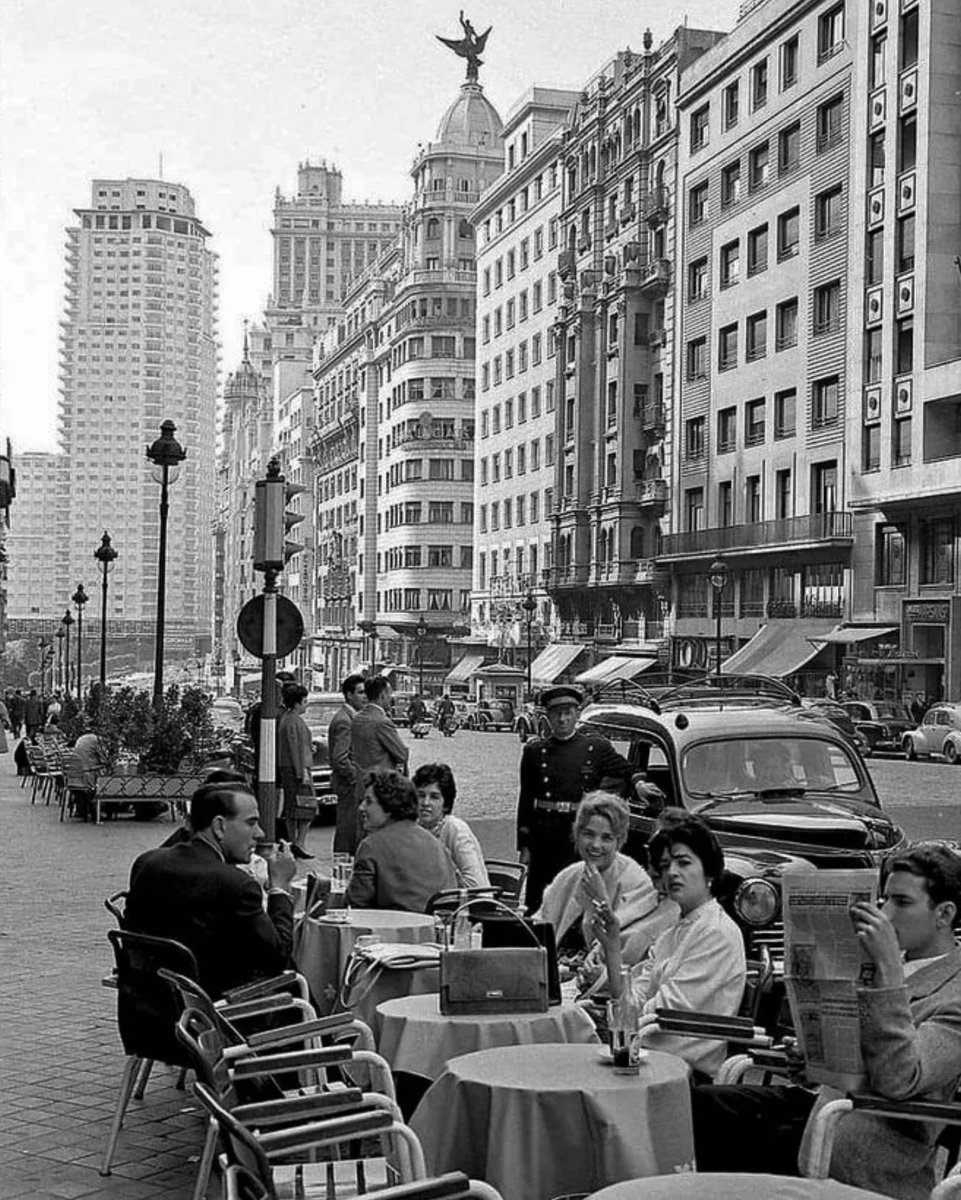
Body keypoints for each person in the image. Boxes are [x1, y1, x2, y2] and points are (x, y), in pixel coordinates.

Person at [692, 843, 961, 1199]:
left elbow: (901, 1079)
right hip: (827, 1105)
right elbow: (849, 1048)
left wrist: (891, 976)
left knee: (738, 1144)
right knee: (703, 1105)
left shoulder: (953, 994)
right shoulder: (877, 959)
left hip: (873, 1133)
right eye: (884, 900)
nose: (886, 914)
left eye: (902, 902)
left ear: (944, 914)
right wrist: (813, 1059)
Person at [595, 811, 746, 1078]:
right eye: (665, 867)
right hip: (647, 1056)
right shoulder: (673, 932)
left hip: (682, 1071)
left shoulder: (717, 933)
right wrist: (613, 949)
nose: (672, 873)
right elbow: (631, 1003)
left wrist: (618, 1024)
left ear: (708, 870)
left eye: (683, 863)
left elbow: (665, 1012)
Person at [125, 780, 296, 999]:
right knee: (296, 978)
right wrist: (279, 887)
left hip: (146, 1010)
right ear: (219, 826)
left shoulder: (147, 863)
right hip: (217, 1016)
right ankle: (332, 1032)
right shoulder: (236, 884)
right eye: (251, 823)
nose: (260, 833)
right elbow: (277, 959)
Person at [535, 792, 679, 991]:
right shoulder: (570, 875)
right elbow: (539, 926)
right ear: (577, 835)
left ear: (619, 841)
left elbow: (616, 950)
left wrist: (598, 900)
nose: (595, 845)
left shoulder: (637, 882)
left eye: (606, 838)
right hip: (550, 977)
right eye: (588, 834)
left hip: (590, 986)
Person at [516, 684, 634, 914]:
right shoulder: (534, 751)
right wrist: (524, 844)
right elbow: (526, 798)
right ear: (547, 717)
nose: (562, 719)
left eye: (567, 713)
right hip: (544, 834)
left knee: (576, 896)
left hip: (578, 833)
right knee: (540, 898)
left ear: (577, 714)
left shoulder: (594, 747)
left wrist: (637, 785)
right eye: (556, 714)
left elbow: (625, 769)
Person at [347, 769, 457, 912]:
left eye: (369, 801)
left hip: (395, 930)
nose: (361, 807)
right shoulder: (436, 844)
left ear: (388, 807)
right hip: (437, 927)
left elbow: (355, 906)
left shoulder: (371, 846)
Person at [414, 762, 489, 889]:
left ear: (446, 803)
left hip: (463, 905)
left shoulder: (455, 830)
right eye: (421, 795)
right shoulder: (414, 827)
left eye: (434, 797)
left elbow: (476, 886)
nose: (425, 803)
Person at [328, 673, 367, 855]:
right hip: (349, 786)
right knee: (348, 829)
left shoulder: (351, 717)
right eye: (360, 692)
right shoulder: (345, 720)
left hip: (349, 784)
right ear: (349, 695)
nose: (365, 696)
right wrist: (355, 778)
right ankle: (343, 864)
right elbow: (340, 758)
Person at [277, 683, 314, 859]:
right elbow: (294, 749)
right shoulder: (292, 721)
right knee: (305, 807)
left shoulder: (289, 719)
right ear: (297, 703)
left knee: (294, 808)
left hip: (294, 768)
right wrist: (302, 773)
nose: (307, 704)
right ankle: (298, 842)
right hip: (297, 770)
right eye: (305, 701)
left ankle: (295, 842)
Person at [351, 675, 409, 784]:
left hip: (362, 782)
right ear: (382, 695)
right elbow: (402, 754)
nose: (390, 697)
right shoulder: (382, 722)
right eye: (389, 693)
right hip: (381, 784)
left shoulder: (357, 719)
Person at [65, 729, 111, 821]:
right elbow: (104, 760)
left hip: (73, 774)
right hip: (86, 773)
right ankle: (97, 810)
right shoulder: (96, 741)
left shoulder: (85, 738)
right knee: (104, 780)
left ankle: (81, 810)